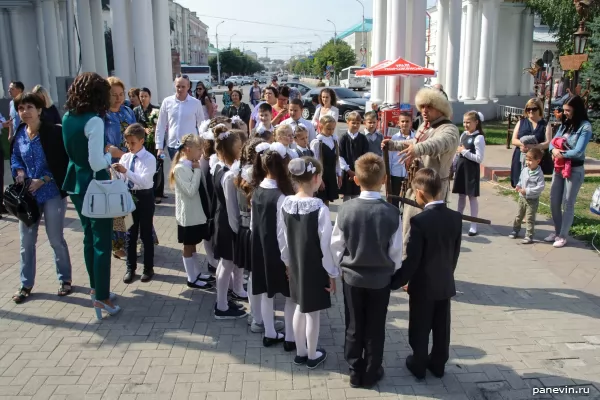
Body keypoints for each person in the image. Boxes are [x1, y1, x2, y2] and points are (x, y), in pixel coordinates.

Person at [330, 153, 403, 388]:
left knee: (353, 324)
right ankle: (372, 370)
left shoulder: (346, 209)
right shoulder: (392, 212)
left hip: (352, 278)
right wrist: (392, 270)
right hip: (380, 280)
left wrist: (341, 265)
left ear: (357, 180)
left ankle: (355, 369)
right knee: (375, 325)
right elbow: (396, 251)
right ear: (383, 180)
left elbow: (336, 245)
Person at [390, 168, 462, 380]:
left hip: (422, 285)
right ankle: (438, 363)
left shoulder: (420, 222)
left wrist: (395, 282)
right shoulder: (455, 217)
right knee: (442, 326)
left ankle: (419, 363)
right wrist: (448, 274)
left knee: (420, 327)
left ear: (420, 193)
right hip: (445, 281)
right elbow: (454, 254)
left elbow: (412, 261)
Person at [62, 72, 122, 318]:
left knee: (89, 236)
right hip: (95, 183)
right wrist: (111, 155)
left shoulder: (67, 117)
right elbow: (97, 162)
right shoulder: (94, 120)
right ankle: (102, 297)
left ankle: (96, 288)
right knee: (101, 241)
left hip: (76, 180)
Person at [382, 88, 460, 255]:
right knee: (409, 231)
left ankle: (421, 270)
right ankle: (407, 267)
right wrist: (394, 145)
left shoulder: (449, 129)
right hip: (416, 186)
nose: (424, 110)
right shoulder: (425, 126)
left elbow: (437, 144)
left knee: (427, 235)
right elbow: (414, 142)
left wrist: (418, 148)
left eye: (429, 106)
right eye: (422, 106)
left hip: (434, 191)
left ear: (440, 108)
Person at [10, 92, 72, 303]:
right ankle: (25, 284)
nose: (25, 112)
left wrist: (43, 179)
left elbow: (63, 163)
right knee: (26, 242)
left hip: (52, 192)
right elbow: (15, 158)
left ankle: (65, 279)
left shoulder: (53, 133)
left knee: (55, 239)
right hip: (28, 196)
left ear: (39, 110)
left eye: (29, 107)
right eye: (20, 108)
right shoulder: (20, 133)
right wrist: (18, 172)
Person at [278, 157, 338, 369]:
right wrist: (332, 273)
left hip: (294, 265)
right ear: (315, 178)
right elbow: (326, 245)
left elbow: (281, 237)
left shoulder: (285, 203)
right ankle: (312, 355)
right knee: (313, 312)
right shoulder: (319, 208)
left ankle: (301, 352)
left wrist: (286, 262)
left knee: (297, 306)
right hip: (315, 267)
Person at [251, 142, 296, 350]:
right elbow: (282, 233)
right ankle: (290, 337)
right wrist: (287, 261)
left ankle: (269, 332)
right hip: (278, 252)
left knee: (267, 293)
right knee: (288, 294)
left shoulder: (257, 190)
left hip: (260, 248)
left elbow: (253, 224)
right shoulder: (281, 197)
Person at [546, 95, 593, 248]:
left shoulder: (585, 127)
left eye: (568, 110)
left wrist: (561, 154)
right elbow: (552, 142)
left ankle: (563, 236)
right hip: (559, 167)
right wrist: (553, 151)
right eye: (564, 110)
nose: (564, 113)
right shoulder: (565, 125)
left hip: (574, 169)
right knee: (554, 200)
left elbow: (579, 151)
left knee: (568, 202)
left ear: (576, 110)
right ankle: (557, 231)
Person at [212, 125, 248, 319]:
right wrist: (237, 230)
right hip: (228, 224)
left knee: (225, 264)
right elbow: (232, 207)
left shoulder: (219, 167)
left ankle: (224, 301)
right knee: (226, 264)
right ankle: (222, 306)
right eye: (240, 148)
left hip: (223, 220)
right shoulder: (228, 175)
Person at [113, 124, 157, 283]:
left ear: (141, 141)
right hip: (129, 197)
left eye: (132, 143)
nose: (129, 146)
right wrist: (117, 172)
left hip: (144, 197)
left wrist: (126, 172)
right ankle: (130, 268)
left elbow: (144, 181)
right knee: (130, 234)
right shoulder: (125, 157)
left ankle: (148, 268)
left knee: (146, 234)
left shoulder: (149, 159)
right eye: (127, 143)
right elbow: (123, 179)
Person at [170, 133, 215, 290]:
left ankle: (196, 273)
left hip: (197, 213)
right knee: (188, 246)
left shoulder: (191, 164)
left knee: (194, 244)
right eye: (198, 149)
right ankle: (191, 278)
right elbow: (190, 190)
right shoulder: (181, 168)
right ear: (188, 150)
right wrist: (197, 171)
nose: (201, 152)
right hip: (188, 216)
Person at [104, 77, 136, 260]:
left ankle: (134, 240)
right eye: (113, 95)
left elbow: (136, 132)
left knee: (133, 204)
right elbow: (100, 143)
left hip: (130, 164)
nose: (118, 98)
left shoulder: (127, 112)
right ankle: (118, 247)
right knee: (118, 209)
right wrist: (110, 151)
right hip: (112, 167)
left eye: (121, 94)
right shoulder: (102, 116)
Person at [155, 74, 207, 160]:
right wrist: (159, 147)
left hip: (190, 146)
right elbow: (161, 125)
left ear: (188, 86)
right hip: (172, 145)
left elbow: (201, 125)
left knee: (189, 171)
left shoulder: (196, 103)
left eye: (183, 86)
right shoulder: (167, 102)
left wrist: (202, 145)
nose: (180, 89)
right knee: (176, 171)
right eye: (178, 86)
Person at [452, 111, 486, 236]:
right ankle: (458, 220)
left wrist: (464, 152)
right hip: (461, 168)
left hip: (471, 170)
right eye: (464, 122)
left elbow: (479, 158)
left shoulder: (479, 138)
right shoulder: (463, 135)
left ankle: (473, 224)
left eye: (468, 122)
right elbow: (458, 151)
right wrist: (454, 163)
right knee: (461, 196)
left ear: (476, 123)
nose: (465, 125)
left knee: (472, 197)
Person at [133, 87, 165, 203]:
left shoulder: (155, 110)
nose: (143, 98)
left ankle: (158, 192)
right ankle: (145, 190)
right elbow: (134, 126)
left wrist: (154, 129)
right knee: (143, 166)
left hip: (155, 143)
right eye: (141, 96)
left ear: (149, 97)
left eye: (145, 96)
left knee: (158, 165)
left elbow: (162, 126)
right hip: (142, 142)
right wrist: (143, 129)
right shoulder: (136, 110)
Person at [510, 98, 550, 188]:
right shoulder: (521, 122)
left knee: (531, 185)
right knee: (518, 184)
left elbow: (547, 143)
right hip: (520, 156)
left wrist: (533, 147)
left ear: (540, 109)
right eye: (528, 109)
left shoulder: (545, 124)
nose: (531, 111)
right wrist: (523, 145)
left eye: (534, 109)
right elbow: (514, 140)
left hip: (536, 159)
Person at [509, 148, 545, 244]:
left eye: (530, 160)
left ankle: (529, 236)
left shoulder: (539, 174)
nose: (528, 162)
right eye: (527, 160)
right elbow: (521, 179)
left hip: (532, 200)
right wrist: (518, 185)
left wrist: (528, 191)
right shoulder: (525, 170)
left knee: (530, 218)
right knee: (519, 215)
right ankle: (515, 230)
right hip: (522, 198)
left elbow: (540, 187)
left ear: (538, 161)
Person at [1, 81, 25, 217]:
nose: (9, 91)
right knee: (16, 166)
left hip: (25, 138)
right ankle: (19, 193)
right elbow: (11, 119)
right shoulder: (11, 103)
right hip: (15, 139)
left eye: (12, 88)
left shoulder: (25, 100)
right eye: (9, 88)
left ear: (20, 90)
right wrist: (10, 133)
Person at [311, 114, 344, 206]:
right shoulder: (317, 142)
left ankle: (326, 218)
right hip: (322, 174)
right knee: (320, 199)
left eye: (333, 129)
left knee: (327, 200)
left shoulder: (334, 140)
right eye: (328, 129)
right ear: (321, 127)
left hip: (331, 174)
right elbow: (315, 161)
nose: (331, 131)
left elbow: (337, 159)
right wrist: (319, 179)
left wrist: (339, 174)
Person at [339, 112, 369, 202]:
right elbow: (340, 156)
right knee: (347, 198)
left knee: (357, 196)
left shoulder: (363, 138)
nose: (355, 125)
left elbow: (365, 156)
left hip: (359, 172)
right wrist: (349, 171)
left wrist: (357, 171)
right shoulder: (343, 138)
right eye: (353, 122)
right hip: (347, 172)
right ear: (347, 122)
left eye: (358, 123)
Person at [389, 112, 415, 209]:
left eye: (407, 121)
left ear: (411, 123)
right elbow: (390, 157)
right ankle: (396, 219)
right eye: (402, 121)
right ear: (398, 123)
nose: (405, 124)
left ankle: (406, 219)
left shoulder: (415, 138)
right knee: (395, 198)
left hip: (410, 174)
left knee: (408, 198)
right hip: (395, 173)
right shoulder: (394, 138)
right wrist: (388, 173)